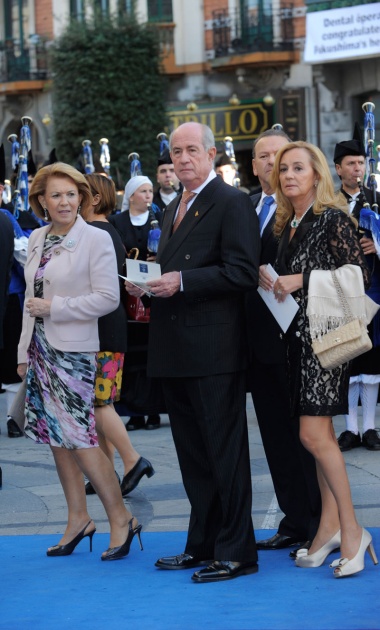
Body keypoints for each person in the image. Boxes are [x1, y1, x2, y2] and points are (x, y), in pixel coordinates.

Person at [125, 122, 260, 583]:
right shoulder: (174, 205)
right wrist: (148, 286)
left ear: (210, 153)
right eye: (175, 151)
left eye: (191, 151)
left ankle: (237, 550)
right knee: (193, 457)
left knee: (224, 453)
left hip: (214, 349)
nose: (182, 158)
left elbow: (241, 272)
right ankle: (201, 544)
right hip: (175, 346)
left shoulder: (231, 201)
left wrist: (182, 281)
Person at [18, 162, 142, 561]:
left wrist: (57, 307)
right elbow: (29, 301)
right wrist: (23, 352)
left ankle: (121, 518)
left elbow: (108, 298)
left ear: (83, 198)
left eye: (71, 194)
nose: (65, 201)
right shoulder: (37, 236)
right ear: (41, 200)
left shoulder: (96, 238)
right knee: (56, 441)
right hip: (41, 350)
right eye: (56, 195)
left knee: (84, 441)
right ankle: (78, 519)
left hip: (74, 352)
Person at [270, 140, 377, 577]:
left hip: (325, 340)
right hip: (296, 340)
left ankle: (353, 530)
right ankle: (329, 527)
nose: (290, 175)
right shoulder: (287, 223)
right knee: (320, 439)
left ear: (317, 174)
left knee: (314, 438)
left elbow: (359, 275)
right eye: (284, 169)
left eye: (299, 167)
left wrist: (300, 277)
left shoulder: (332, 217)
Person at [247, 129, 321, 554]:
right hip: (259, 343)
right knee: (275, 438)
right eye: (263, 156)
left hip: (302, 342)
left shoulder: (316, 211)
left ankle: (319, 520)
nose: (273, 163)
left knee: (309, 439)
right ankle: (294, 520)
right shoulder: (244, 207)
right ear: (255, 165)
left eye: (283, 156)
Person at [83, 173, 155, 496]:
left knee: (100, 404)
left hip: (101, 331)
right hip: (109, 329)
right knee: (101, 403)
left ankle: (132, 460)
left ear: (94, 199)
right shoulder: (108, 230)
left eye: (77, 194)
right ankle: (106, 472)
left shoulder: (92, 232)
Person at [333, 136, 380, 451]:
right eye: (350, 163)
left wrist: (376, 244)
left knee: (373, 357)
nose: (357, 169)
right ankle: (350, 427)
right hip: (340, 289)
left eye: (361, 163)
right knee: (349, 358)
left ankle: (370, 427)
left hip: (373, 286)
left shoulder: (376, 198)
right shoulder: (327, 202)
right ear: (338, 168)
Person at [109, 175, 164, 432]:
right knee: (131, 356)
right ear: (131, 196)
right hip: (127, 292)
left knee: (152, 354)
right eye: (143, 191)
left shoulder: (160, 219)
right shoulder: (117, 222)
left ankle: (153, 410)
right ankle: (133, 412)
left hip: (153, 293)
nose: (148, 195)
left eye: (150, 191)